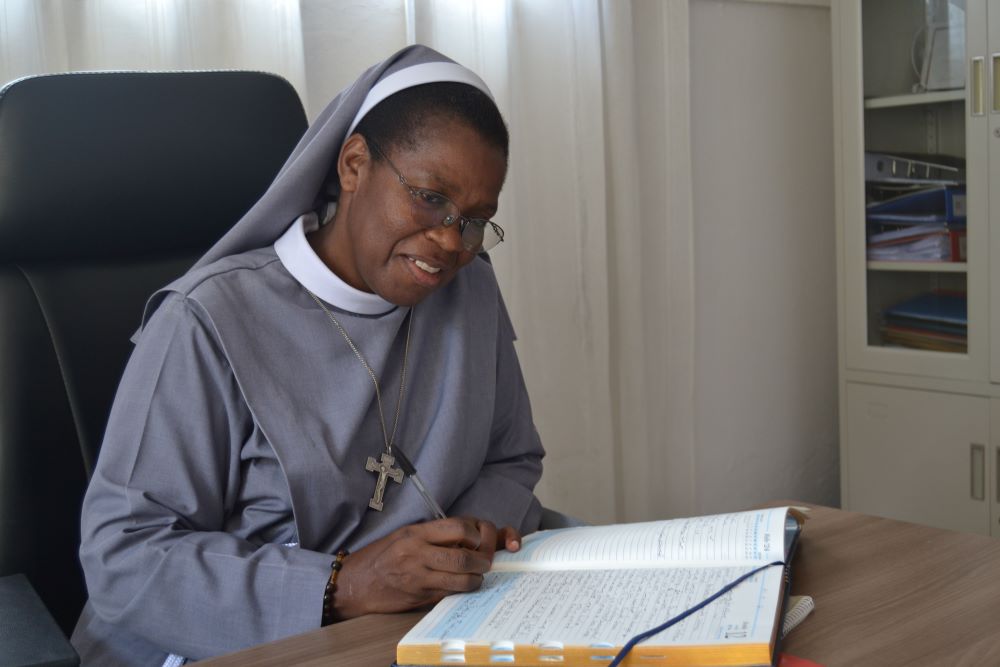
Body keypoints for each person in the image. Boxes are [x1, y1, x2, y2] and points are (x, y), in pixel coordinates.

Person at [70, 45, 545, 665]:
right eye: (430, 198)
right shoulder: (207, 319)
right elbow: (124, 556)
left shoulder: (472, 291)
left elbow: (511, 458)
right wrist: (344, 584)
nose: (452, 242)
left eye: (476, 219)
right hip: (248, 643)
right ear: (353, 165)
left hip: (420, 629)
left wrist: (465, 543)